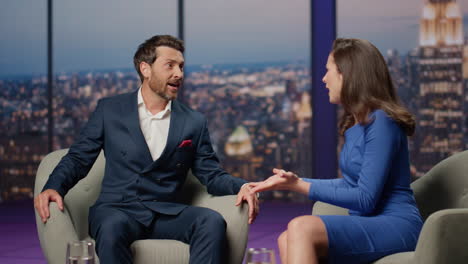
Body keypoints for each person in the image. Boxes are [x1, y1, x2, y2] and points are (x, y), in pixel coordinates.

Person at [34, 35, 259, 264]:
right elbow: (79, 158)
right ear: (146, 69)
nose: (179, 74)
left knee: (211, 221)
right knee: (111, 230)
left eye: (181, 66)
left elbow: (211, 174)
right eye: (170, 65)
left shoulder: (194, 121)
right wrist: (54, 186)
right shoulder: (109, 110)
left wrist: (242, 186)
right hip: (116, 210)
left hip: (167, 212)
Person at [250, 38, 423, 264]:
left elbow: (365, 198)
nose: (323, 79)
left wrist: (300, 186)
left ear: (347, 74)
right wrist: (294, 181)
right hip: (370, 222)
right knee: (285, 238)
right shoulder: (355, 126)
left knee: (301, 227)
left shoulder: (382, 122)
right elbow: (351, 185)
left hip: (397, 225)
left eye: (328, 71)